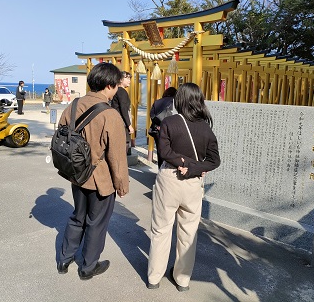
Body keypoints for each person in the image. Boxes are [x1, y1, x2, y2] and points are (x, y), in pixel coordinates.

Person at [57, 62, 129, 280]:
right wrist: (122, 184)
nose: (117, 89)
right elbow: (116, 156)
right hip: (100, 179)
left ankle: (64, 259)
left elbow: (61, 136)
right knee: (96, 222)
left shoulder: (72, 105)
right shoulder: (110, 115)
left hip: (76, 173)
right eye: (116, 85)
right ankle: (88, 266)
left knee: (77, 216)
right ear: (108, 86)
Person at [147, 82, 221, 291]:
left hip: (169, 178)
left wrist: (182, 163)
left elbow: (165, 151)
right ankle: (182, 280)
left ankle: (154, 278)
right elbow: (215, 161)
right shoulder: (206, 128)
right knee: (188, 233)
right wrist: (194, 167)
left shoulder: (170, 122)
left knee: (161, 230)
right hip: (193, 184)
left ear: (179, 99)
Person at [149, 87, 177, 168]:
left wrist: (158, 125)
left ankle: (161, 170)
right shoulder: (176, 102)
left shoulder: (157, 102)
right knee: (172, 151)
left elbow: (152, 115)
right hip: (172, 131)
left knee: (160, 151)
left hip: (158, 130)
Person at [111, 71, 134, 155]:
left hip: (115, 121)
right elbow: (123, 109)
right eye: (127, 78)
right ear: (120, 79)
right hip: (121, 123)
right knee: (124, 145)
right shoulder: (122, 92)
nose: (129, 80)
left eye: (129, 78)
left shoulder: (116, 91)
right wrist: (129, 125)